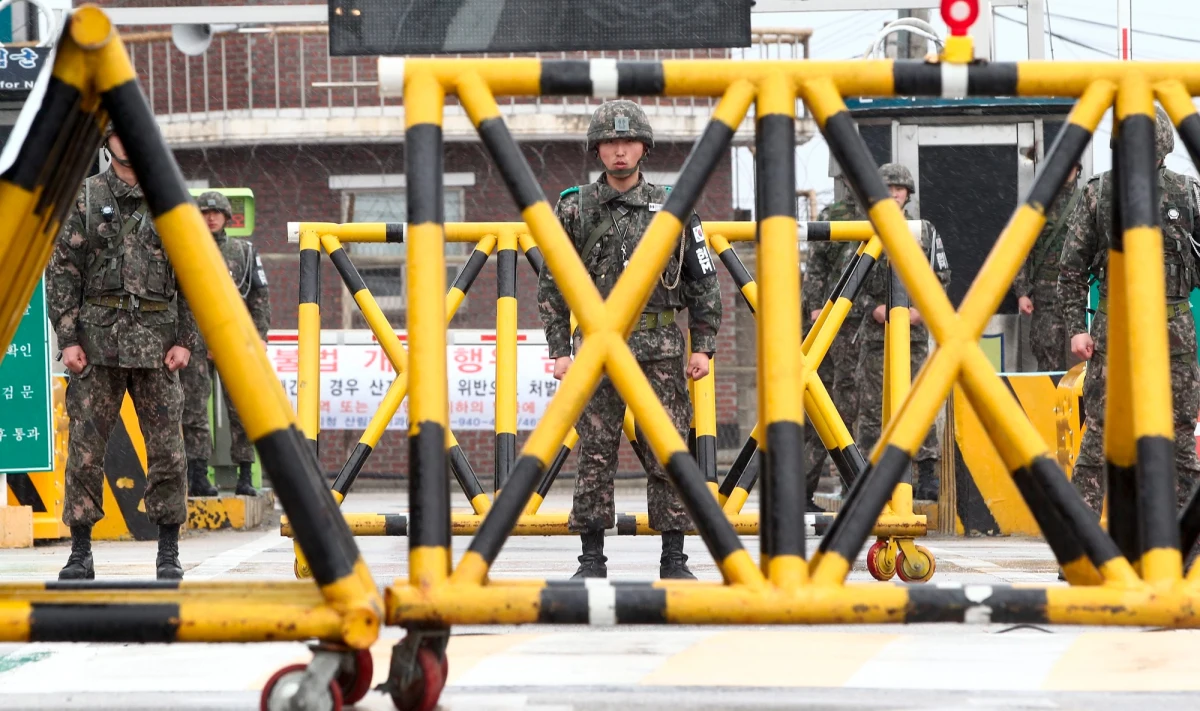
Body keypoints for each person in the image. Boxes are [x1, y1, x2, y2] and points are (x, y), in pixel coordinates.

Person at [537, 100, 722, 580]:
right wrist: (559, 349)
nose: (620, 151)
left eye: (628, 142)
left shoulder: (674, 206)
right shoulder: (574, 207)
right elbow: (553, 282)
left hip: (659, 346)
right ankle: (591, 559)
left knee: (669, 451)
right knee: (595, 454)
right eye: (610, 143)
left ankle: (674, 558)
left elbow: (703, 279)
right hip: (598, 348)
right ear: (597, 149)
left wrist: (703, 343)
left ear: (643, 147)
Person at [47, 126, 199, 580]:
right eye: (119, 133)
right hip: (97, 345)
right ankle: (79, 552)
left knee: (168, 450)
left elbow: (195, 275)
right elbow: (64, 272)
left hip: (158, 346)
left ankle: (168, 550)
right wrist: (69, 338)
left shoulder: (170, 199)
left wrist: (185, 340)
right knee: (86, 451)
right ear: (106, 142)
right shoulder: (87, 198)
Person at [1058, 106, 1200, 517]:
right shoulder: (1099, 193)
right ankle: (1079, 543)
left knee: (1179, 441)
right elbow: (1071, 268)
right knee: (1100, 436)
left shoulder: (1187, 194)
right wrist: (1076, 328)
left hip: (1173, 329)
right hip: (1114, 329)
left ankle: (1184, 546)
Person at [853, 163, 951, 501]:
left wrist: (920, 311)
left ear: (908, 193)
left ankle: (926, 476)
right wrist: (872, 307)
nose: (894, 194)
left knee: (917, 403)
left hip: (912, 336)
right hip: (876, 337)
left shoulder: (923, 232)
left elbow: (941, 277)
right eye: (888, 188)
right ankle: (867, 475)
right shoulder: (864, 231)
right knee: (870, 409)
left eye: (900, 189)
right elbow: (851, 281)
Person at [178, 191, 271, 498]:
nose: (211, 217)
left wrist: (260, 336)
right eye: (205, 212)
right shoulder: (187, 250)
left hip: (236, 339)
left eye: (217, 213)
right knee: (193, 408)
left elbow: (259, 296)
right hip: (195, 339)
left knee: (242, 408)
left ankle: (245, 474)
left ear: (228, 217)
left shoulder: (244, 252)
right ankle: (198, 474)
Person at [804, 176, 870, 505]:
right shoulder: (838, 215)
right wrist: (817, 307)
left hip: (870, 322)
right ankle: (836, 482)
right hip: (836, 322)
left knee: (857, 403)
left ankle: (851, 481)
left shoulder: (888, 216)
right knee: (835, 404)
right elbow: (815, 265)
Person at [1013, 161, 1082, 372]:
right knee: (1048, 354)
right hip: (1045, 296)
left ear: (1077, 169)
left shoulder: (1087, 201)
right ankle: (1047, 404)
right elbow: (1020, 250)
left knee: (1082, 359)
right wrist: (1022, 292)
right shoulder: (1039, 205)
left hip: (1080, 293)